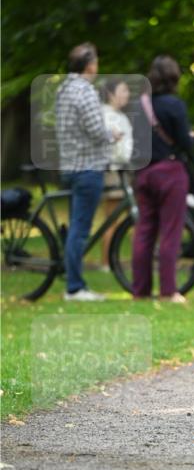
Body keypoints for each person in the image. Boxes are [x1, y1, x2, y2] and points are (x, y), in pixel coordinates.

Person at [55, 42, 121, 301]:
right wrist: (112, 134)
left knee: (76, 227)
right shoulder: (85, 91)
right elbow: (95, 129)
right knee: (80, 230)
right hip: (87, 167)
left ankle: (73, 281)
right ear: (90, 65)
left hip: (70, 166)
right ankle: (75, 288)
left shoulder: (63, 89)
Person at [131, 56, 192, 303]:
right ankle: (168, 291)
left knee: (144, 231)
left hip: (144, 173)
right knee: (170, 232)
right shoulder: (174, 105)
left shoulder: (138, 105)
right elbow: (185, 143)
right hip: (169, 171)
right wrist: (191, 138)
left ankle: (140, 291)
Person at [100, 77, 133, 271]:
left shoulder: (121, 116)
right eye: (123, 91)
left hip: (123, 170)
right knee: (112, 217)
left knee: (126, 217)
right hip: (112, 171)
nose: (126, 95)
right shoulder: (106, 115)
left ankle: (118, 260)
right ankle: (106, 262)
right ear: (111, 94)